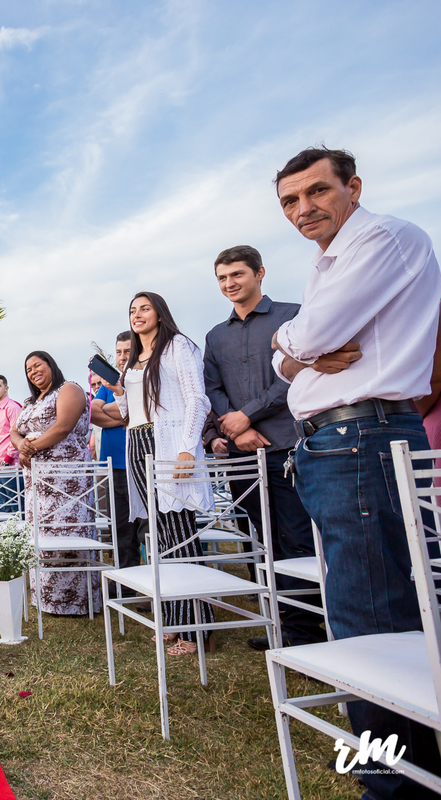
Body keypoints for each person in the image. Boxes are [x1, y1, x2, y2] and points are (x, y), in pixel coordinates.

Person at [272, 147, 441, 797]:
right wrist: (295, 347)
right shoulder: (331, 262)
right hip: (340, 441)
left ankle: (391, 783)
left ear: (353, 187)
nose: (304, 208)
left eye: (317, 192)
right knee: (371, 609)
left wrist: (295, 344)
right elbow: (294, 350)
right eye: (290, 200)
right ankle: (404, 772)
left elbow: (307, 336)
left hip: (359, 435)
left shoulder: (384, 237)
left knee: (369, 617)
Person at [202, 245, 326, 651]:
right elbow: (213, 389)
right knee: (260, 540)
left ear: (260, 273)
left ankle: (310, 634)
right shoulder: (215, 335)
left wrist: (248, 416)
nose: (229, 283)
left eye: (237, 274)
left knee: (297, 539)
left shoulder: (291, 315)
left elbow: (296, 373)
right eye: (222, 278)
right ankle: (282, 626)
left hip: (286, 445)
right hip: (241, 453)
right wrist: (235, 430)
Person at [108, 291, 216, 657]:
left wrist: (188, 446)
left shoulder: (177, 347)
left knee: (179, 530)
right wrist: (120, 392)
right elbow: (131, 410)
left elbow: (197, 399)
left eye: (144, 308)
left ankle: (197, 626)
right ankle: (172, 615)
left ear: (159, 312)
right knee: (158, 531)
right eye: (132, 310)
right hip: (137, 441)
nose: (137, 315)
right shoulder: (133, 359)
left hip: (167, 441)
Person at [12, 351, 99, 615]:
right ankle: (48, 601)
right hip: (37, 484)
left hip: (66, 481)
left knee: (67, 536)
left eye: (38, 365)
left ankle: (76, 602)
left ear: (51, 365)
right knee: (43, 538)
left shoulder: (69, 389)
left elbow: (63, 426)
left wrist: (29, 448)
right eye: (28, 369)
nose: (33, 371)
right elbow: (16, 432)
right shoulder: (29, 401)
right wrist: (21, 445)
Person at [89, 332, 141, 597]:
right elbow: (94, 412)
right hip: (113, 465)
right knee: (120, 528)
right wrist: (123, 414)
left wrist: (121, 410)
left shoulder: (142, 378)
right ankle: (127, 581)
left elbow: (131, 409)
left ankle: (149, 581)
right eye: (119, 351)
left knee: (144, 528)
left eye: (127, 351)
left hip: (138, 463)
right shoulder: (110, 381)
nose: (122, 357)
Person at [0, 373, 23, 514]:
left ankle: (21, 536)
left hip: (11, 465)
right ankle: (4, 536)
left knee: (16, 505)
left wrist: (8, 459)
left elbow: (18, 433)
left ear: (6, 388)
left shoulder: (12, 407)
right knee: (2, 505)